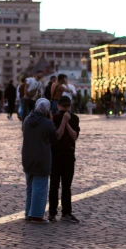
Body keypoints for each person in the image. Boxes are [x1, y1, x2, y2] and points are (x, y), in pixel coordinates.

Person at [22, 98, 67, 224]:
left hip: (27, 158)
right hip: (41, 159)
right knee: (40, 187)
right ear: (47, 110)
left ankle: (28, 213)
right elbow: (55, 137)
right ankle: (36, 215)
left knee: (30, 187)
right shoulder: (47, 123)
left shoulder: (27, 120)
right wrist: (57, 122)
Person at [49, 95, 81, 223]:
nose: (66, 109)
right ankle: (52, 212)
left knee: (67, 186)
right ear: (58, 106)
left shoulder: (75, 118)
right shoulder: (54, 118)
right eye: (64, 106)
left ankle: (66, 212)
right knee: (54, 185)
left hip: (69, 155)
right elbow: (57, 136)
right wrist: (63, 121)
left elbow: (74, 136)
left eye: (68, 106)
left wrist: (67, 122)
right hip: (56, 155)